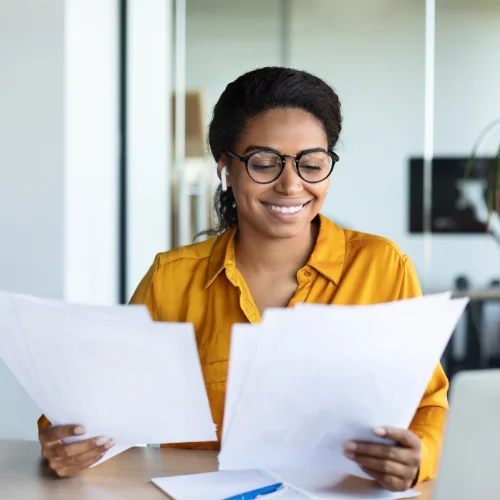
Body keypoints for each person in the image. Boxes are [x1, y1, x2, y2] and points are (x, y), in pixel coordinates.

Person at [38, 67, 448, 491]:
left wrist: (418, 456)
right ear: (226, 170)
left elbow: (428, 402)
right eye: (264, 163)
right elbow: (95, 400)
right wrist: (65, 442)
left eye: (311, 164)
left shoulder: (381, 266)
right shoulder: (173, 279)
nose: (291, 185)